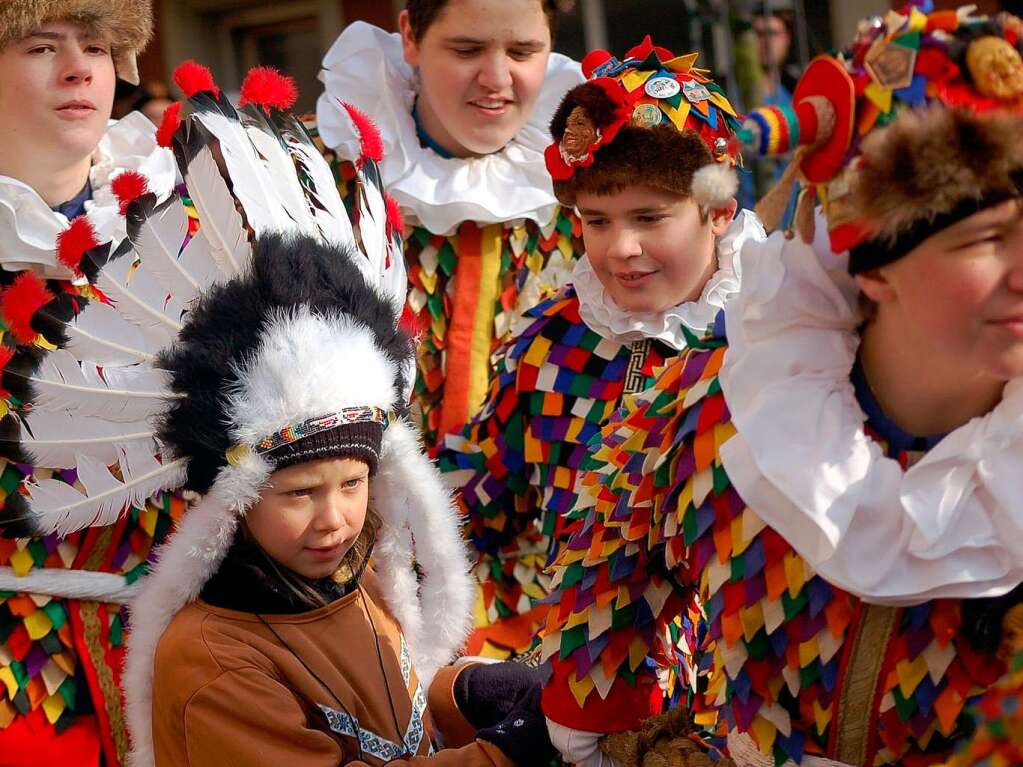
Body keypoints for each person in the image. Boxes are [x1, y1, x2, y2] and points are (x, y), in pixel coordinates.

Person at [2, 60, 556, 767]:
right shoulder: (220, 662)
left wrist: (462, 692)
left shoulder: (344, 588)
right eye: (42, 45)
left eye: (351, 485)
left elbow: (378, 708)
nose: (333, 515)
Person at [540, 4, 1023, 766]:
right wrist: (609, 733)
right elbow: (609, 555)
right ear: (871, 255)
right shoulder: (726, 398)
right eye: (986, 239)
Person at [437, 37, 764, 661]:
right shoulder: (554, 338)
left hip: (740, 698)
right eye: (597, 220)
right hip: (577, 683)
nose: (620, 250)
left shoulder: (774, 338)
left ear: (718, 211)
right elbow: (478, 489)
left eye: (649, 218)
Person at [0, 3, 177, 765]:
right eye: (43, 45)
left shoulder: (187, 223)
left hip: (186, 648)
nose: (79, 68)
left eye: (98, 48)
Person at [311, 0, 585, 450]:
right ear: (410, 38)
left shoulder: (588, 184)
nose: (497, 80)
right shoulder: (315, 174)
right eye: (466, 50)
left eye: (522, 52)